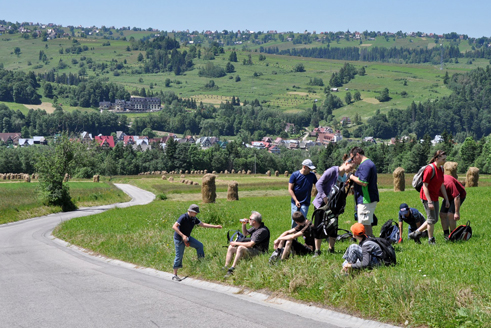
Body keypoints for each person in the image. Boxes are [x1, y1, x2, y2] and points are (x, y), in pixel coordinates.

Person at [311, 155, 355, 256]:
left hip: (333, 205)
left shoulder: (344, 177)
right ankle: (317, 250)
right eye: (351, 167)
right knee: (318, 226)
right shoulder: (332, 171)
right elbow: (319, 184)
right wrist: (324, 197)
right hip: (322, 203)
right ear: (346, 163)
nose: (351, 170)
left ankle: (331, 249)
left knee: (333, 226)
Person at [172, 204, 222, 281]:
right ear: (190, 211)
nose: (196, 214)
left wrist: (216, 226)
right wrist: (182, 236)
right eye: (195, 213)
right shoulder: (183, 217)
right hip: (179, 239)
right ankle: (175, 275)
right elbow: (174, 226)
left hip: (187, 237)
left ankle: (201, 263)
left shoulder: (194, 219)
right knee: (179, 256)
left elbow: (202, 224)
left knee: (199, 245)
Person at [409, 150, 450, 245]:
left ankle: (416, 233)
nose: (445, 161)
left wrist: (446, 198)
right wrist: (429, 201)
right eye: (443, 159)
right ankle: (431, 240)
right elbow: (425, 186)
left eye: (445, 159)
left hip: (435, 196)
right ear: (437, 158)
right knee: (431, 219)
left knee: (434, 219)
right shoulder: (430, 169)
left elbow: (441, 185)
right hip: (427, 197)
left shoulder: (441, 169)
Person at [224, 211, 270, 277]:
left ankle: (232, 269)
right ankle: (226, 266)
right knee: (231, 247)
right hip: (252, 249)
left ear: (254, 221)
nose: (248, 220)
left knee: (240, 248)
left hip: (260, 252)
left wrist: (236, 243)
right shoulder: (255, 227)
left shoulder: (262, 231)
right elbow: (245, 234)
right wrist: (244, 224)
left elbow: (251, 244)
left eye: (250, 219)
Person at [349, 147, 379, 237]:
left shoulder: (365, 165)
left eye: (353, 158)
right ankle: (370, 243)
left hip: (366, 199)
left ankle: (367, 246)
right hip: (366, 199)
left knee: (362, 226)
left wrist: (351, 176)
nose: (353, 161)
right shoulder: (366, 164)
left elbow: (364, 182)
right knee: (366, 224)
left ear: (357, 155)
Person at [288, 159, 318, 228]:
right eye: (309, 168)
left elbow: (318, 185)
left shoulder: (312, 176)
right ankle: (293, 238)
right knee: (294, 221)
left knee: (302, 221)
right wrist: (296, 201)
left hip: (305, 202)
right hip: (295, 202)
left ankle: (304, 235)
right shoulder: (295, 175)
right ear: (304, 167)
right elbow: (290, 189)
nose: (310, 170)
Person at [440, 174, 466, 239]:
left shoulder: (449, 184)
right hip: (448, 196)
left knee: (451, 214)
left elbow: (457, 197)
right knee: (442, 214)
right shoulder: (433, 185)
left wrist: (456, 212)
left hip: (459, 195)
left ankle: (453, 235)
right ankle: (446, 234)